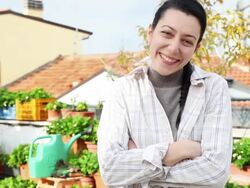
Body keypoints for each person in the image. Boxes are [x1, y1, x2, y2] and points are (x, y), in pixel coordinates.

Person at [97, 0, 232, 187]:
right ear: (150, 33)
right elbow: (110, 170)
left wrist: (141, 168)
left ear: (197, 47)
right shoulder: (122, 90)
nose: (174, 47)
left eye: (187, 41)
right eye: (167, 33)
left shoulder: (214, 89)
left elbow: (216, 172)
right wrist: (178, 151)